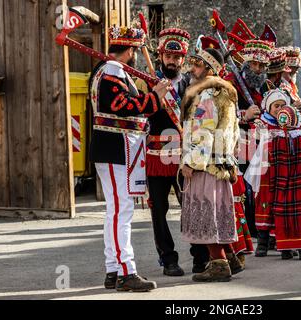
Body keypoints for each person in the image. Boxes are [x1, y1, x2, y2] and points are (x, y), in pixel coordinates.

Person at [88, 24, 172, 292]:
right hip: (115, 147)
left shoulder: (110, 69)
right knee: (121, 210)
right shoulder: (112, 71)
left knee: (117, 209)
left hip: (116, 147)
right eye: (136, 50)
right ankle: (125, 271)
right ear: (130, 50)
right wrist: (155, 97)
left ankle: (114, 268)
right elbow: (122, 107)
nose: (137, 55)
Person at [145, 27, 210, 276]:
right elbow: (141, 113)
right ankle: (168, 258)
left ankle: (200, 257)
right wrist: (153, 95)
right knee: (159, 209)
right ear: (161, 56)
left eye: (177, 57)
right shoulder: (147, 81)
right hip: (157, 154)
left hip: (185, 154)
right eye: (168, 56)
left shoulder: (191, 85)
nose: (172, 61)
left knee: (192, 205)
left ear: (184, 59)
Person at [180, 46, 240, 282]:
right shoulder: (225, 94)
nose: (192, 69)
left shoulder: (207, 97)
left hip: (206, 166)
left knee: (207, 215)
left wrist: (190, 162)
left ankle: (219, 263)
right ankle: (231, 257)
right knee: (216, 213)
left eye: (197, 65)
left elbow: (203, 133)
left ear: (209, 69)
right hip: (221, 163)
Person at [245, 90, 301, 260]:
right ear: (268, 107)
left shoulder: (293, 126)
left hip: (282, 176)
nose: (279, 109)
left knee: (283, 209)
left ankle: (285, 244)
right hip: (267, 173)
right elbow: (252, 143)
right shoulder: (262, 123)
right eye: (275, 106)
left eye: (282, 106)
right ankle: (265, 243)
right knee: (265, 206)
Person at [224, 39, 274, 238]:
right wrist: (243, 115)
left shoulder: (265, 86)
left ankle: (263, 228)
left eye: (262, 66)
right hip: (239, 140)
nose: (259, 69)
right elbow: (220, 113)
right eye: (255, 64)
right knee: (245, 187)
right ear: (246, 63)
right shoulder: (230, 82)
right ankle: (248, 229)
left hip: (260, 140)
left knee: (261, 185)